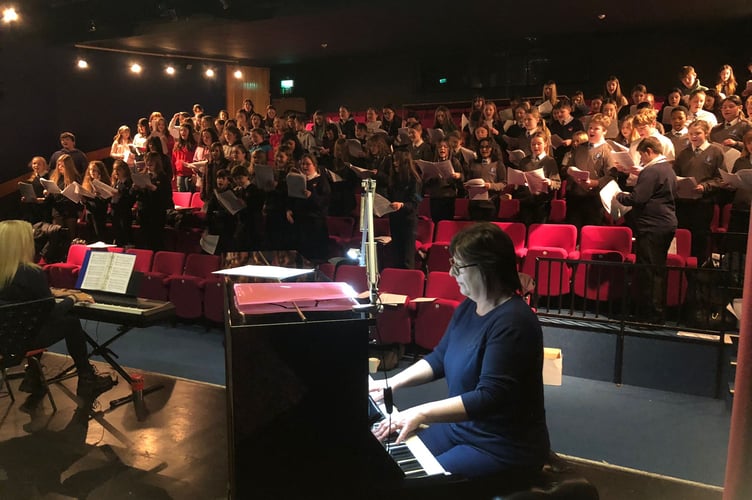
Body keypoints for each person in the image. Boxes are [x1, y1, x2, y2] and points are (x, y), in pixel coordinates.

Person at [370, 222, 550, 479]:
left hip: (502, 445)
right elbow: (441, 357)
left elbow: (488, 397)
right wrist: (391, 384)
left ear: (487, 267)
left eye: (458, 266)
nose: (452, 273)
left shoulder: (514, 322)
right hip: (462, 429)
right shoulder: (469, 306)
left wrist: (419, 412)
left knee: (413, 482)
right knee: (388, 462)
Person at [0, 220, 115, 404]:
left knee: (29, 324)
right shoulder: (32, 273)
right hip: (22, 341)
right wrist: (72, 299)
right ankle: (86, 377)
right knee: (70, 321)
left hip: (3, 341)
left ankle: (34, 376)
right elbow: (52, 313)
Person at [615, 137, 677, 322]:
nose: (641, 160)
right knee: (657, 269)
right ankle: (655, 312)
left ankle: (650, 315)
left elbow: (637, 198)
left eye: (642, 154)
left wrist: (618, 195)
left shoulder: (652, 170)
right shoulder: (668, 169)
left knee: (649, 270)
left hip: (652, 225)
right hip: (664, 224)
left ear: (649, 151)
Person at [673, 120, 723, 263]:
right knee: (683, 236)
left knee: (699, 238)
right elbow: (675, 174)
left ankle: (698, 267)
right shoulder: (684, 153)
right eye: (691, 134)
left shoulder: (716, 151)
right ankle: (682, 266)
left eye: (698, 133)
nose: (694, 137)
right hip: (683, 203)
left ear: (706, 133)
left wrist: (705, 187)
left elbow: (721, 178)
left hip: (703, 203)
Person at [285, 154, 331, 261]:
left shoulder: (321, 181)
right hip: (299, 222)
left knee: (313, 255)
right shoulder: (298, 179)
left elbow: (325, 202)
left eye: (308, 164)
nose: (305, 167)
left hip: (315, 224)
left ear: (314, 165)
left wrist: (311, 196)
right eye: (302, 164)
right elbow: (290, 198)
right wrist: (288, 210)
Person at [387, 150, 422, 269]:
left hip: (408, 221)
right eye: (394, 161)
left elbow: (417, 201)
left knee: (407, 257)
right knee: (396, 255)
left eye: (397, 161)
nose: (395, 163)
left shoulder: (414, 180)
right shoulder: (393, 179)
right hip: (395, 219)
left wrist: (402, 205)